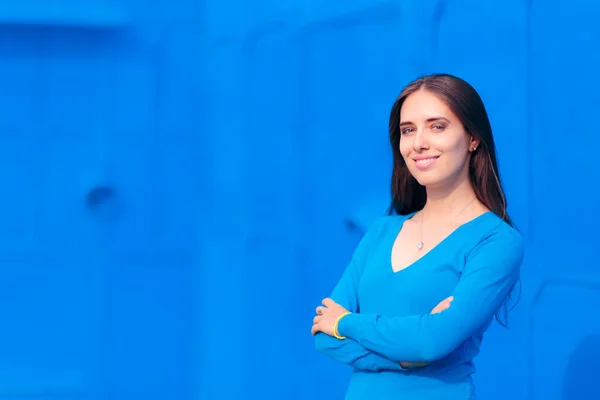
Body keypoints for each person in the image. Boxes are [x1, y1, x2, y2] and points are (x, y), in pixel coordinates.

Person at [311, 73, 524, 399]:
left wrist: (346, 324)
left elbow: (432, 341)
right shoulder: (382, 230)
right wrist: (406, 360)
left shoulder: (496, 241)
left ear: (472, 138)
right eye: (408, 130)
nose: (419, 142)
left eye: (437, 126)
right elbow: (322, 336)